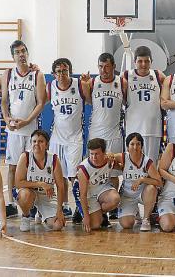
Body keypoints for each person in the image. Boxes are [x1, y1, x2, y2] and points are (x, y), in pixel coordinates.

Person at [1, 40, 46, 218]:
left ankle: (33, 203)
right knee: (12, 166)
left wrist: (26, 121)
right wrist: (6, 119)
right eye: (17, 52)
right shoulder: (8, 74)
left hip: (31, 129)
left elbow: (41, 102)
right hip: (13, 130)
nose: (21, 54)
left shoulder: (37, 74)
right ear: (13, 56)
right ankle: (11, 203)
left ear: (27, 53)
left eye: (23, 51)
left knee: (32, 168)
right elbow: (4, 100)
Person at [80, 52, 125, 221]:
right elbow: (88, 100)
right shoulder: (92, 82)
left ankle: (111, 208)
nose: (103, 70)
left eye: (107, 66)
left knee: (112, 173)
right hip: (96, 133)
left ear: (113, 66)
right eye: (100, 66)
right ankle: (88, 204)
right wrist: (84, 84)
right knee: (91, 172)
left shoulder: (122, 82)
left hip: (114, 134)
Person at [48, 58, 88, 218]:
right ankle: (64, 205)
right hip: (57, 137)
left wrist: (88, 84)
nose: (62, 74)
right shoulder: (50, 88)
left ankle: (80, 205)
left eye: (65, 70)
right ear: (53, 74)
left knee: (74, 175)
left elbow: (91, 100)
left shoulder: (79, 84)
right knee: (59, 174)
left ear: (70, 71)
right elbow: (38, 103)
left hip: (75, 138)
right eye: (58, 71)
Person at [14, 130, 65, 232]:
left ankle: (41, 213)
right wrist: (41, 184)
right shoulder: (25, 157)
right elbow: (18, 183)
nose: (36, 144)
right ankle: (26, 216)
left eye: (41, 141)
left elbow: (60, 186)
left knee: (57, 225)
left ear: (47, 145)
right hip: (29, 193)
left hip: (47, 195)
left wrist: (60, 209)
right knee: (24, 195)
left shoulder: (54, 159)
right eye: (34, 141)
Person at [110, 133, 162, 231]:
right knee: (126, 224)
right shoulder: (123, 157)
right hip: (127, 195)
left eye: (138, 144)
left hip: (143, 194)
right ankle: (135, 212)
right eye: (132, 144)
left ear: (142, 146)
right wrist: (109, 157)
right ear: (127, 147)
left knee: (151, 188)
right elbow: (109, 157)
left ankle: (146, 219)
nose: (135, 147)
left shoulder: (147, 162)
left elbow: (159, 182)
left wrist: (142, 179)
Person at [123, 46, 166, 165]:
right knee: (133, 163)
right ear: (134, 62)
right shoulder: (126, 76)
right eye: (140, 61)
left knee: (151, 164)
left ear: (151, 61)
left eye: (147, 61)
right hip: (133, 128)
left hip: (153, 128)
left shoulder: (158, 75)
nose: (143, 64)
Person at [77, 138, 121, 233]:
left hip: (103, 189)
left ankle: (101, 213)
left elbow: (124, 163)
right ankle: (80, 210)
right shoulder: (83, 168)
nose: (94, 157)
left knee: (115, 199)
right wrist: (86, 216)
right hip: (87, 194)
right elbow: (83, 195)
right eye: (91, 154)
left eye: (96, 154)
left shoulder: (109, 160)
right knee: (95, 225)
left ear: (104, 153)